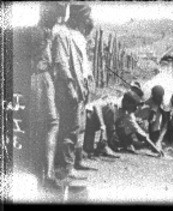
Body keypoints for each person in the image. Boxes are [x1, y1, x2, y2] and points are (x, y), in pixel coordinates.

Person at [52, 4, 93, 179]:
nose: (86, 21)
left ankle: (73, 162)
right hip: (69, 86)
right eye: (84, 17)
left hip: (80, 85)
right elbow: (62, 63)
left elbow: (82, 64)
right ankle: (65, 168)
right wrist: (70, 87)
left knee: (78, 127)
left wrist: (87, 83)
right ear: (75, 17)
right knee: (69, 127)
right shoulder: (62, 33)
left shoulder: (78, 35)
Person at [29, 2, 65, 190]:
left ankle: (42, 173)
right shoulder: (43, 33)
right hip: (42, 78)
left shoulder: (41, 32)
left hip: (38, 78)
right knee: (51, 123)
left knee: (41, 125)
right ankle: (47, 174)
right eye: (54, 16)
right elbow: (50, 62)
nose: (56, 20)